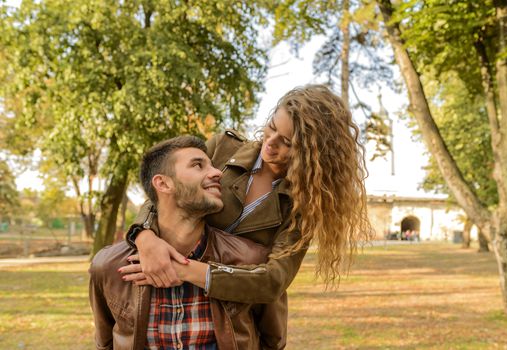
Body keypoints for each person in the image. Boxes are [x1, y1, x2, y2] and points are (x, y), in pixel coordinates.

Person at [121, 84, 373, 348]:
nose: (270, 143)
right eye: (272, 127)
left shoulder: (303, 207)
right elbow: (164, 192)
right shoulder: (222, 149)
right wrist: (144, 236)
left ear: (313, 154)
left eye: (287, 143)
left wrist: (185, 269)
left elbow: (272, 280)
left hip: (238, 319)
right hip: (170, 300)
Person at [89, 136, 272, 349]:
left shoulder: (249, 260)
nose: (217, 173)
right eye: (198, 165)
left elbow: (272, 341)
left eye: (211, 165)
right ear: (163, 183)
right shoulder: (108, 267)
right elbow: (105, 343)